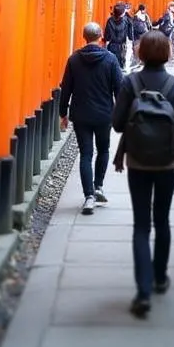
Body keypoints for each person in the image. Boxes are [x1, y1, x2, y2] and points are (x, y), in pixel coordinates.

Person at [112, 29, 174, 318]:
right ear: (168, 53)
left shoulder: (130, 83)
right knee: (163, 219)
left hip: (137, 162)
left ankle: (143, 291)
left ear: (140, 52)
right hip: (167, 165)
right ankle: (160, 278)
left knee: (141, 225)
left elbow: (118, 125)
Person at [59, 21, 123, 215]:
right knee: (103, 150)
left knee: (86, 154)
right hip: (104, 114)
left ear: (83, 36)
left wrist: (63, 113)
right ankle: (98, 186)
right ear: (101, 35)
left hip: (81, 114)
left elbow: (66, 89)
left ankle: (89, 196)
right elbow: (119, 89)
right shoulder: (111, 59)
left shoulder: (74, 60)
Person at [103, 2, 131, 70]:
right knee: (119, 64)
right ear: (122, 13)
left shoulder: (110, 20)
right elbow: (130, 34)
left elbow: (107, 35)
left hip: (112, 45)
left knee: (110, 64)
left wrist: (106, 43)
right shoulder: (126, 21)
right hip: (121, 46)